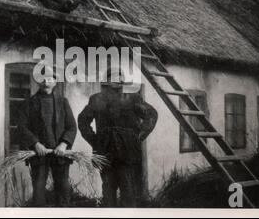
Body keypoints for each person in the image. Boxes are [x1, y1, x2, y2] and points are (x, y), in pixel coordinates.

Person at [78, 68, 158, 207]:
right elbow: (82, 121)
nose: (117, 79)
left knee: (129, 193)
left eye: (120, 76)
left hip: (127, 154)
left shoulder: (133, 98)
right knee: (108, 193)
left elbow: (151, 114)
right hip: (105, 154)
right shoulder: (97, 99)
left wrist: (139, 136)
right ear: (106, 80)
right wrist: (95, 141)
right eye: (113, 76)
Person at [18, 66, 77, 206]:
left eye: (50, 79)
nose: (46, 82)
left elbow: (72, 127)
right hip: (39, 155)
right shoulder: (29, 103)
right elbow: (22, 127)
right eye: (43, 79)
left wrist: (63, 144)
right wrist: (35, 144)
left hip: (59, 154)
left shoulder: (63, 102)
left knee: (63, 190)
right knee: (38, 192)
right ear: (38, 81)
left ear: (55, 81)